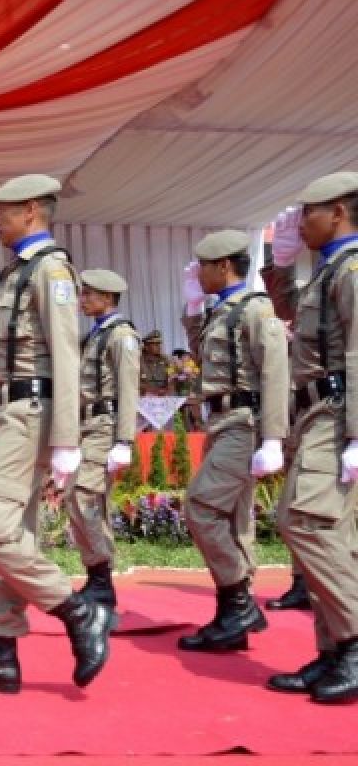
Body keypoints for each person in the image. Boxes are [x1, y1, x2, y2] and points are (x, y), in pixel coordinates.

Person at [0, 176, 111, 694]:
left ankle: (77, 609)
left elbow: (65, 353)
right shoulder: (16, 269)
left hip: (33, 411)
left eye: (3, 213)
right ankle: (0, 651)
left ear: (33, 210)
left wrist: (66, 440)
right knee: (6, 535)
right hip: (7, 410)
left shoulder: (52, 269)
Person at [262, 172, 358, 703]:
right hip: (319, 409)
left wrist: (356, 436)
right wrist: (279, 267)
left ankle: (353, 643)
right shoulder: (330, 271)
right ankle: (335, 653)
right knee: (326, 532)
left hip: (340, 411)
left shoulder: (353, 270)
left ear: (338, 213)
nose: (301, 224)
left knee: (305, 523)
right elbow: (291, 313)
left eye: (309, 215)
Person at [177, 229, 288, 653]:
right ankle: (232, 616)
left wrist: (274, 437)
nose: (198, 273)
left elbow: (276, 372)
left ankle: (239, 602)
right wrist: (192, 309)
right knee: (233, 519)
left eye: (203, 266)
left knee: (202, 507)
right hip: (222, 420)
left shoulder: (256, 309)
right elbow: (204, 358)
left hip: (244, 422)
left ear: (223, 266)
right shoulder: (223, 311)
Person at [65, 269, 140, 624]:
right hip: (86, 425)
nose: (83, 300)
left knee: (86, 497)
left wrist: (124, 440)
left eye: (89, 295)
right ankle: (96, 574)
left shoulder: (120, 336)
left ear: (108, 299)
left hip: (104, 425)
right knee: (74, 499)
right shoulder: (94, 335)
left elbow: (128, 389)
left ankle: (102, 579)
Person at [140, 331, 173, 397]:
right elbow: (134, 382)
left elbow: (172, 378)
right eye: (155, 344)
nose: (159, 346)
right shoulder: (138, 361)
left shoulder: (166, 360)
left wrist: (168, 389)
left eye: (159, 344)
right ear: (146, 347)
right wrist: (153, 390)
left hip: (163, 396)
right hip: (144, 398)